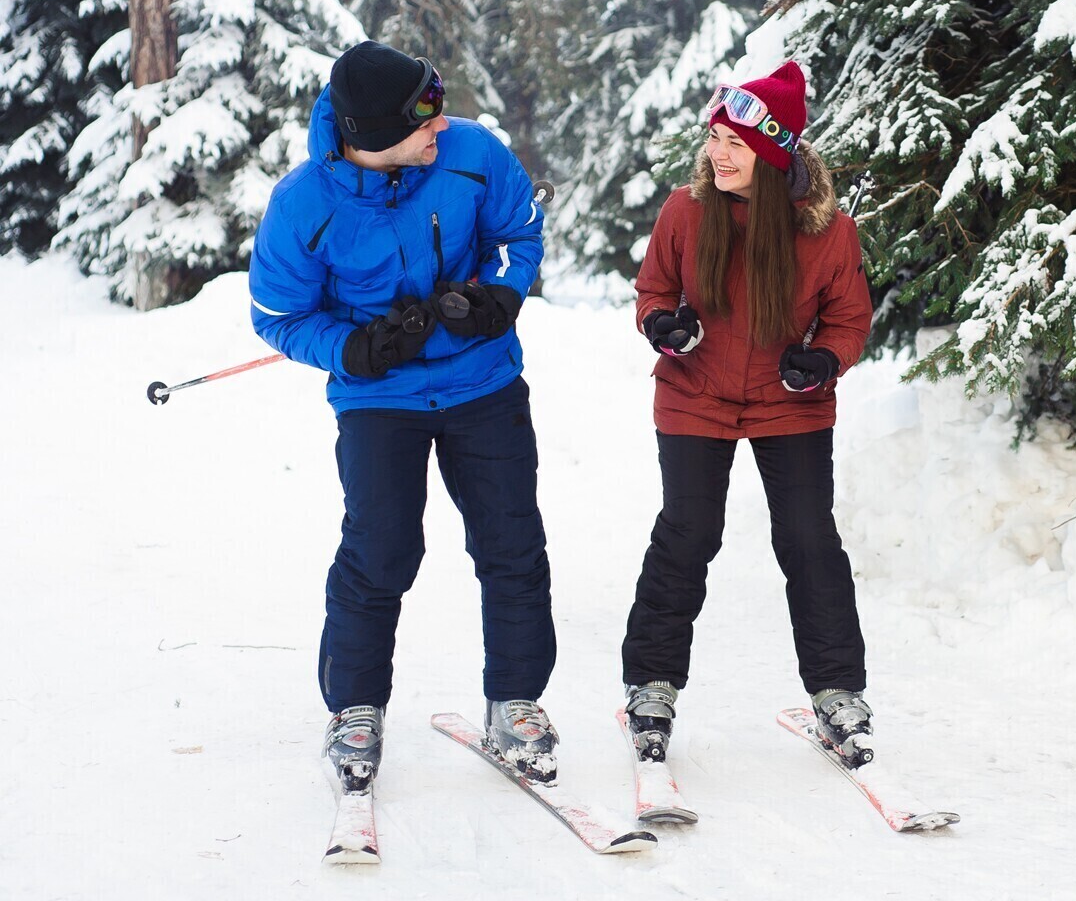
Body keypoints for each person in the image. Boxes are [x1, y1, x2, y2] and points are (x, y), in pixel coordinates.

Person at [249, 40, 558, 788]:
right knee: (382, 550)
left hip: (482, 383)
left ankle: (515, 703)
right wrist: (354, 348)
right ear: (373, 137)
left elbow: (520, 236)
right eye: (423, 119)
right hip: (379, 398)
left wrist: (500, 297)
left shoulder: (473, 155)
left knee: (512, 543)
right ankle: (355, 708)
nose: (442, 126)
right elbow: (277, 314)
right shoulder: (303, 206)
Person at [620, 61, 875, 768]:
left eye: (735, 142)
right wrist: (664, 325)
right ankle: (651, 685)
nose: (717, 153)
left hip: (787, 404)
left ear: (773, 151)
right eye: (715, 137)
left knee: (807, 539)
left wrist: (823, 359)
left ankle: (837, 694)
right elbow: (653, 290)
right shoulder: (686, 211)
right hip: (694, 392)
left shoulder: (826, 231)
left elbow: (849, 320)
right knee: (688, 532)